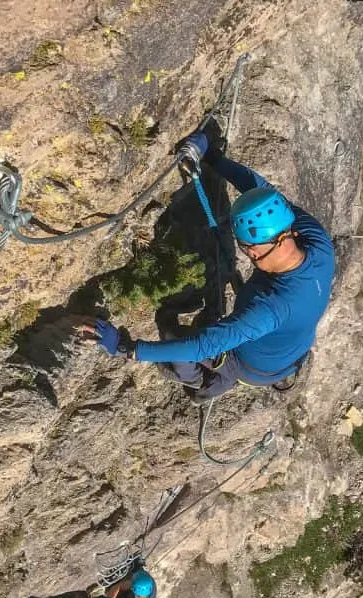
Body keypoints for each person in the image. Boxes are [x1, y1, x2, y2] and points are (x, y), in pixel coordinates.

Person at [82, 130, 335, 400]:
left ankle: (202, 384)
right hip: (289, 346)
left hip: (249, 366)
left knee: (176, 345)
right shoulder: (315, 241)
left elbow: (201, 346)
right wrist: (212, 155)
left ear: (252, 249)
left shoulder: (268, 308)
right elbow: (262, 192)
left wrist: (125, 347)